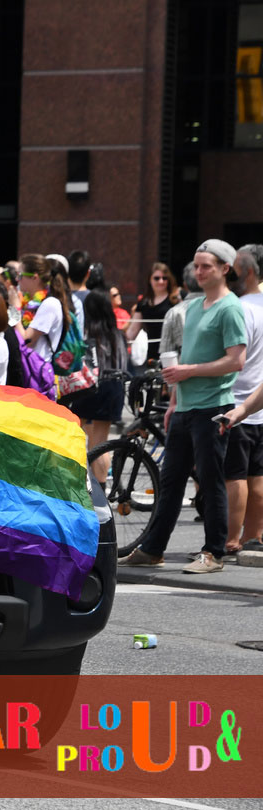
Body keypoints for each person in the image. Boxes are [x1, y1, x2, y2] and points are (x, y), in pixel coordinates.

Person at [119, 239, 246, 574]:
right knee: (171, 480)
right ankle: (153, 548)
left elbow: (236, 361)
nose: (198, 271)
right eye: (196, 265)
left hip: (213, 406)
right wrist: (175, 399)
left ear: (225, 269)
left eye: (206, 266)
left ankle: (214, 552)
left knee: (210, 478)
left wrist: (187, 372)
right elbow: (187, 358)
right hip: (186, 407)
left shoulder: (230, 308)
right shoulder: (194, 307)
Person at [223, 244, 263, 558]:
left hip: (237, 401)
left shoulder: (240, 308)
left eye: (234, 266)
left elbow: (235, 357)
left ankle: (231, 540)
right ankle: (254, 536)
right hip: (259, 403)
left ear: (248, 272)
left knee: (235, 476)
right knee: (258, 476)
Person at [65, 291, 128, 485]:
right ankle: (101, 491)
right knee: (100, 441)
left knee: (73, 431)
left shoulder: (86, 333)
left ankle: (74, 481)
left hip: (88, 386)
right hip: (114, 387)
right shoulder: (117, 334)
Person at [126, 262, 181, 363]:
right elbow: (132, 332)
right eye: (156, 278)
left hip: (173, 355)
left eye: (164, 278)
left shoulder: (176, 299)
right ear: (150, 280)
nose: (161, 281)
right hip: (152, 356)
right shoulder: (143, 303)